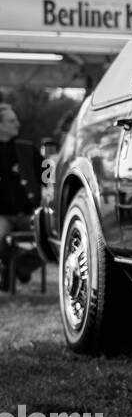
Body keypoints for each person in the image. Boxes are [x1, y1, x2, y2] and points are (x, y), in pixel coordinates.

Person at [0, 103, 44, 286]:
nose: (17, 124)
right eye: (11, 121)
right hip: (2, 217)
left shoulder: (27, 149)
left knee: (47, 240)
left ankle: (17, 268)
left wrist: (51, 185)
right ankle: (8, 268)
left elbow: (49, 167)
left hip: (29, 214)